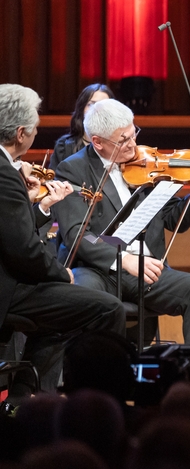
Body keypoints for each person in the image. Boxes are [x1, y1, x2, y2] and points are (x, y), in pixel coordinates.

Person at [52, 99, 190, 348]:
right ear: (97, 142)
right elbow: (79, 234)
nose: (133, 145)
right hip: (96, 270)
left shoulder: (146, 164)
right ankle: (94, 368)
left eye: (134, 134)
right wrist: (123, 259)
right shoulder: (73, 170)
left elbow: (173, 219)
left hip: (145, 270)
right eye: (123, 140)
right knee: (86, 295)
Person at [0, 84, 124, 400]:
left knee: (61, 317)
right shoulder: (5, 174)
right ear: (20, 133)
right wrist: (61, 274)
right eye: (35, 128)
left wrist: (35, 205)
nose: (36, 133)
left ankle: (22, 400)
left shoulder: (8, 172)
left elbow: (11, 232)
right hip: (8, 289)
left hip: (11, 281)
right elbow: (24, 251)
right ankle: (98, 404)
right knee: (107, 308)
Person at [49, 84, 114, 170]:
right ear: (82, 108)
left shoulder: (117, 146)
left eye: (103, 105)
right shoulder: (64, 146)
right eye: (91, 104)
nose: (97, 110)